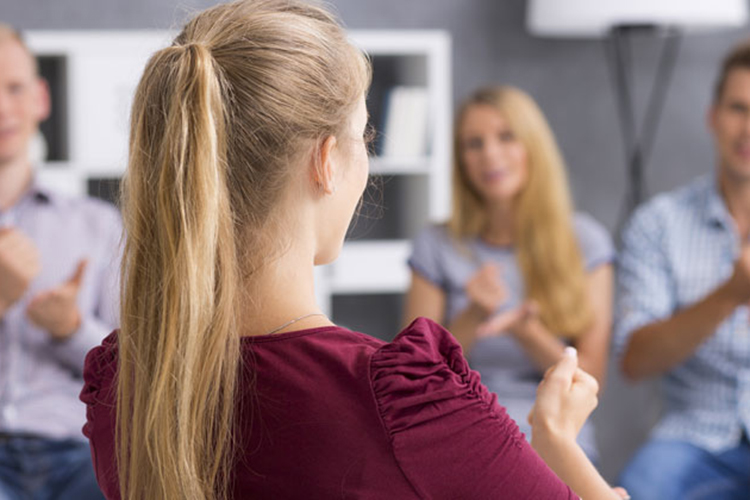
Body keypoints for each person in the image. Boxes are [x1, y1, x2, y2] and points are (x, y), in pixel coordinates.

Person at [80, 1, 626, 499]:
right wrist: (556, 442)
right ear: (325, 162)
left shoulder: (127, 385)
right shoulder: (405, 403)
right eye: (363, 137)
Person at [403, 85, 615, 461]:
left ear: (533, 146)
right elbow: (414, 373)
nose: (490, 155)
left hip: (553, 428)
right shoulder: (436, 244)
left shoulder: (585, 241)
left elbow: (590, 380)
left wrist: (525, 331)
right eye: (474, 143)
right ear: (461, 161)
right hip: (460, 420)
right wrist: (473, 315)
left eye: (506, 137)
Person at [615, 39, 750, 500]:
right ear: (713, 116)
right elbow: (635, 360)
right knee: (639, 489)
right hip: (694, 436)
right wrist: (731, 293)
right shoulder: (659, 223)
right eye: (738, 108)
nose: (748, 127)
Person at [0, 24, 120, 500]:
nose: (2, 108)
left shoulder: (98, 225)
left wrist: (70, 327)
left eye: (14, 88)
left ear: (41, 98)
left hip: (79, 454)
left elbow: (132, 371)